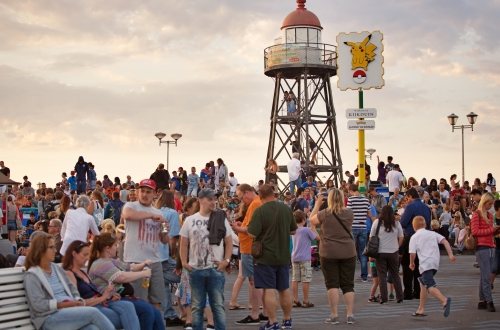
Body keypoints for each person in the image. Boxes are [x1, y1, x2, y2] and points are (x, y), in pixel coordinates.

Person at [23, 232, 115, 330]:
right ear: (40, 250)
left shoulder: (56, 268)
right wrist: (64, 304)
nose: (55, 250)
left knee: (92, 328)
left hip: (67, 312)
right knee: (93, 312)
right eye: (51, 247)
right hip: (49, 318)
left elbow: (71, 287)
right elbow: (38, 305)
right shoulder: (32, 275)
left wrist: (77, 300)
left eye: (54, 247)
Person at [179, 188, 233, 330]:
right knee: (197, 306)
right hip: (196, 269)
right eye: (210, 199)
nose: (213, 202)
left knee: (218, 306)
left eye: (214, 199)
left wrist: (226, 261)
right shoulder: (190, 220)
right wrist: (184, 262)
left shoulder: (220, 218)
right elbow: (183, 243)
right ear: (201, 200)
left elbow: (229, 241)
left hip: (215, 268)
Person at [88, 233, 165, 329]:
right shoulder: (101, 264)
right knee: (147, 311)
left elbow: (131, 267)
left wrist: (143, 264)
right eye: (115, 245)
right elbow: (121, 277)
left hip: (122, 297)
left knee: (156, 313)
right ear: (107, 248)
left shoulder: (111, 261)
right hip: (111, 300)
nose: (117, 247)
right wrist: (143, 274)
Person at [247, 184, 297, 330]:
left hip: (265, 257)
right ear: (273, 194)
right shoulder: (286, 209)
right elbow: (293, 231)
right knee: (284, 288)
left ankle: (273, 322)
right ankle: (287, 320)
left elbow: (252, 233)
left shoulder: (260, 211)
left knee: (268, 289)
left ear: (260, 196)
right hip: (283, 255)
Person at [62, 240, 140, 330]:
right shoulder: (69, 273)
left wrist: (108, 295)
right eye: (84, 255)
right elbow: (76, 301)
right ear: (74, 254)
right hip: (92, 306)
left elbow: (95, 292)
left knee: (128, 306)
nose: (87, 258)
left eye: (88, 255)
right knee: (125, 318)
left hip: (101, 302)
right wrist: (104, 297)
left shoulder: (83, 272)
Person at [310, 189, 356, 325]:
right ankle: (350, 314)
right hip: (348, 251)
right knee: (348, 285)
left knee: (332, 284)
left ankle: (334, 314)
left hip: (328, 252)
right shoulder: (349, 212)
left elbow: (311, 220)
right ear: (343, 198)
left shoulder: (325, 214)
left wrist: (317, 205)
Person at [121, 179, 168, 311]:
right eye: (142, 191)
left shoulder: (159, 213)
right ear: (137, 192)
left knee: (157, 301)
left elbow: (164, 240)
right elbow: (128, 215)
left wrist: (165, 228)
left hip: (155, 261)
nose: (144, 194)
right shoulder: (131, 206)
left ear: (154, 194)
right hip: (135, 260)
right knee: (138, 302)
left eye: (148, 191)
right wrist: (151, 215)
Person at [231, 183, 267, 325]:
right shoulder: (259, 203)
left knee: (253, 282)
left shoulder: (254, 204)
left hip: (248, 247)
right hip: (253, 247)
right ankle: (262, 312)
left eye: (241, 197)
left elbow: (252, 229)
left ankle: (254, 315)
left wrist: (237, 228)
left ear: (247, 192)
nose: (241, 201)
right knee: (258, 282)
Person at [409, 216, 456, 317]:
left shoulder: (414, 237)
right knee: (423, 285)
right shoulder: (432, 233)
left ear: (414, 227)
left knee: (430, 287)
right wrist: (451, 254)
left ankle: (444, 300)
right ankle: (420, 309)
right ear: (425, 225)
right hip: (435, 263)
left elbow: (412, 253)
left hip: (426, 264)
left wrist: (411, 263)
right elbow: (445, 241)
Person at [155, 189, 184, 326]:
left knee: (164, 283)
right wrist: (174, 253)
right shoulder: (172, 213)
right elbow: (172, 237)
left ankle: (169, 314)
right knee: (184, 276)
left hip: (154, 254)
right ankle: (187, 310)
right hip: (164, 253)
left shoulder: (155, 212)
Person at [400, 188, 431, 300]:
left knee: (408, 265)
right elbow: (429, 224)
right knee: (420, 266)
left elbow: (403, 223)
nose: (406, 200)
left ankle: (408, 292)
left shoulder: (410, 207)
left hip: (411, 238)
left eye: (406, 198)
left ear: (410, 196)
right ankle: (418, 292)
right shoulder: (426, 208)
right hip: (424, 238)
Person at [471, 192, 499, 312]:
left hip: (490, 245)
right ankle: (489, 301)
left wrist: (494, 231)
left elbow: (487, 231)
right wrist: (491, 230)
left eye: (492, 204)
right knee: (487, 275)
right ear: (484, 202)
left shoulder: (489, 215)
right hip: (482, 247)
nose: (490, 206)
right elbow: (475, 232)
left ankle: (482, 300)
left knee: (484, 275)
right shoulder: (477, 214)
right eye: (489, 204)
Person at [370, 206, 404, 303]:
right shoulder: (396, 223)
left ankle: (384, 298)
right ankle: (400, 296)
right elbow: (401, 237)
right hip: (393, 252)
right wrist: (397, 246)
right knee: (395, 275)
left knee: (382, 276)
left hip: (380, 253)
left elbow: (371, 237)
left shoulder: (377, 222)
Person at [291, 209, 319, 308]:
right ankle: (305, 300)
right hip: (305, 258)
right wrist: (313, 227)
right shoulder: (306, 230)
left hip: (294, 257)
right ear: (303, 220)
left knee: (295, 279)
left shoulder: (293, 230)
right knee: (305, 279)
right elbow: (317, 238)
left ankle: (295, 299)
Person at [346, 184, 371, 282]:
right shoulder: (366, 200)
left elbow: (348, 213)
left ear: (351, 190)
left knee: (351, 252)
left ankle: (350, 276)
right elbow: (369, 214)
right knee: (363, 252)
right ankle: (364, 276)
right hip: (363, 227)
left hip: (353, 227)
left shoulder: (351, 200)